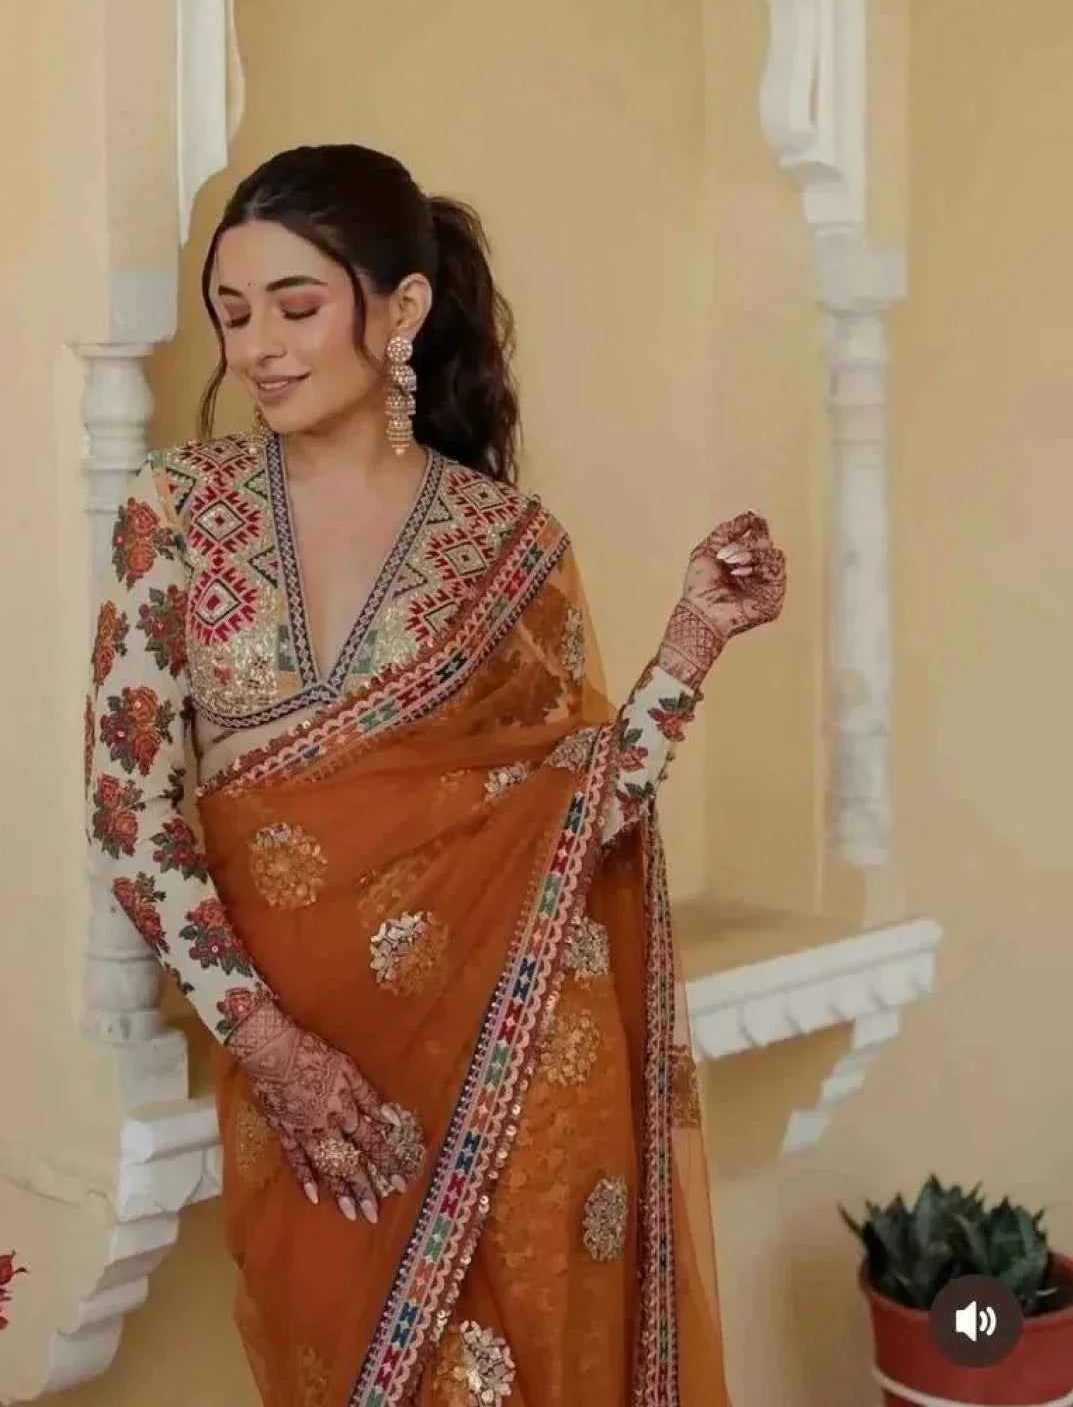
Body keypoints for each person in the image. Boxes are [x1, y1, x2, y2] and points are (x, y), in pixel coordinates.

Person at [84, 144, 786, 1406]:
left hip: (510, 1055)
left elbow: (587, 805)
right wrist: (268, 1045)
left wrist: (692, 641)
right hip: (311, 1068)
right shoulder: (177, 510)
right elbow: (129, 804)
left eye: (298, 307)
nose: (259, 348)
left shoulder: (506, 543)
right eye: (233, 315)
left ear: (399, 310)